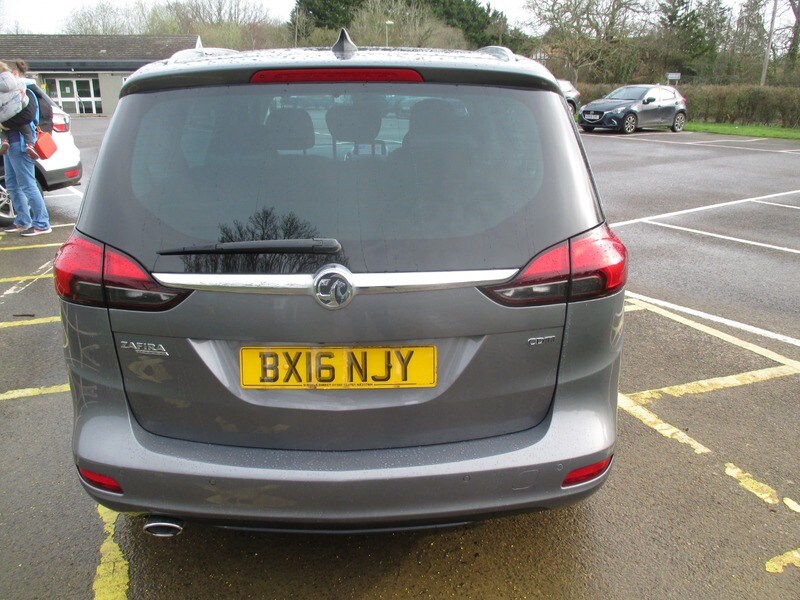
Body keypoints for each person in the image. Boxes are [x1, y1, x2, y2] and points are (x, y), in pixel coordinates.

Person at [1, 62, 51, 236]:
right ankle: (22, 220)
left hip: (21, 143)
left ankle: (42, 223)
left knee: (27, 184)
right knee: (12, 185)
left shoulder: (25, 91)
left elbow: (28, 117)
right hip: (9, 145)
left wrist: (4, 124)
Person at [0, 61, 38, 159]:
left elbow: (28, 116)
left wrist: (3, 123)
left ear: (15, 73)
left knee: (2, 130)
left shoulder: (28, 90)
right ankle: (30, 144)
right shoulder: (21, 86)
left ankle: (4, 141)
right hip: (18, 138)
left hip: (17, 140)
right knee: (26, 130)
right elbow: (24, 104)